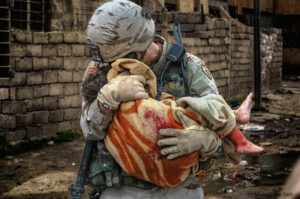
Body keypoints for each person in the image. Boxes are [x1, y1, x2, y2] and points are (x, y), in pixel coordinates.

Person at [79, 0, 260, 198]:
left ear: (136, 50)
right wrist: (106, 101)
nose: (113, 65)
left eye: (119, 58)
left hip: (180, 189)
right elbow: (89, 132)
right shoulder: (100, 67)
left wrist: (204, 141)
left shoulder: (189, 68)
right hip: (122, 190)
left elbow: (226, 132)